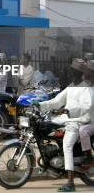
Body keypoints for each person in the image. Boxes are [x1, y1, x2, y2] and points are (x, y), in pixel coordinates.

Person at [38, 59, 93, 192]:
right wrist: (39, 105)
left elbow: (87, 106)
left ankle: (70, 183)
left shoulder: (87, 88)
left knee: (67, 144)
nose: (70, 73)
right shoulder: (72, 86)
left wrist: (69, 110)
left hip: (79, 121)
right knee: (46, 125)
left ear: (79, 73)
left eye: (73, 71)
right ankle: (49, 161)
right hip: (67, 119)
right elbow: (57, 101)